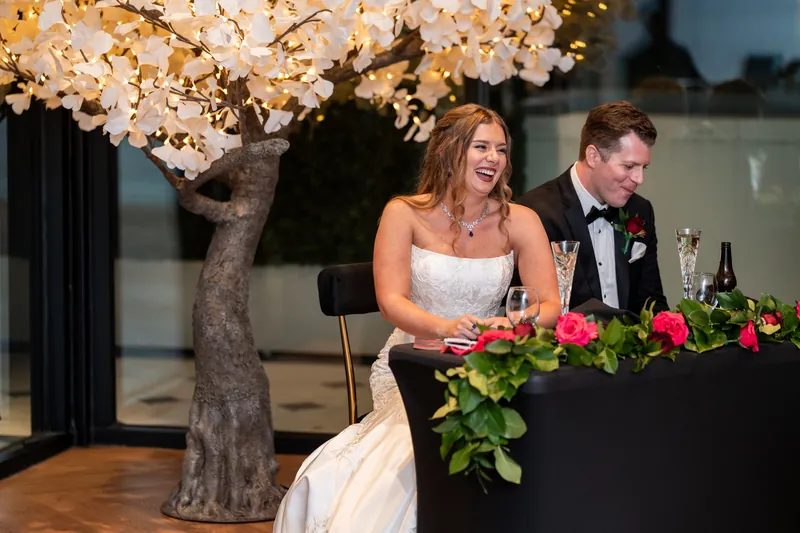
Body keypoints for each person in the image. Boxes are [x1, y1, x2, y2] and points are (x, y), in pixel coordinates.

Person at [273, 104, 561, 532]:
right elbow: (391, 301)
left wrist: (506, 328)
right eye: (480, 147)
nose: (494, 159)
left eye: (500, 149)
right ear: (449, 151)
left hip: (493, 363)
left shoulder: (521, 220)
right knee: (408, 452)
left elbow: (550, 305)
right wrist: (445, 329)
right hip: (416, 361)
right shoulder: (403, 213)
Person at [517, 101, 669, 316]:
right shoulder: (534, 214)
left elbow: (651, 301)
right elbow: (527, 311)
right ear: (593, 156)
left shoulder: (640, 210)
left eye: (643, 167)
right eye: (628, 166)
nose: (639, 179)